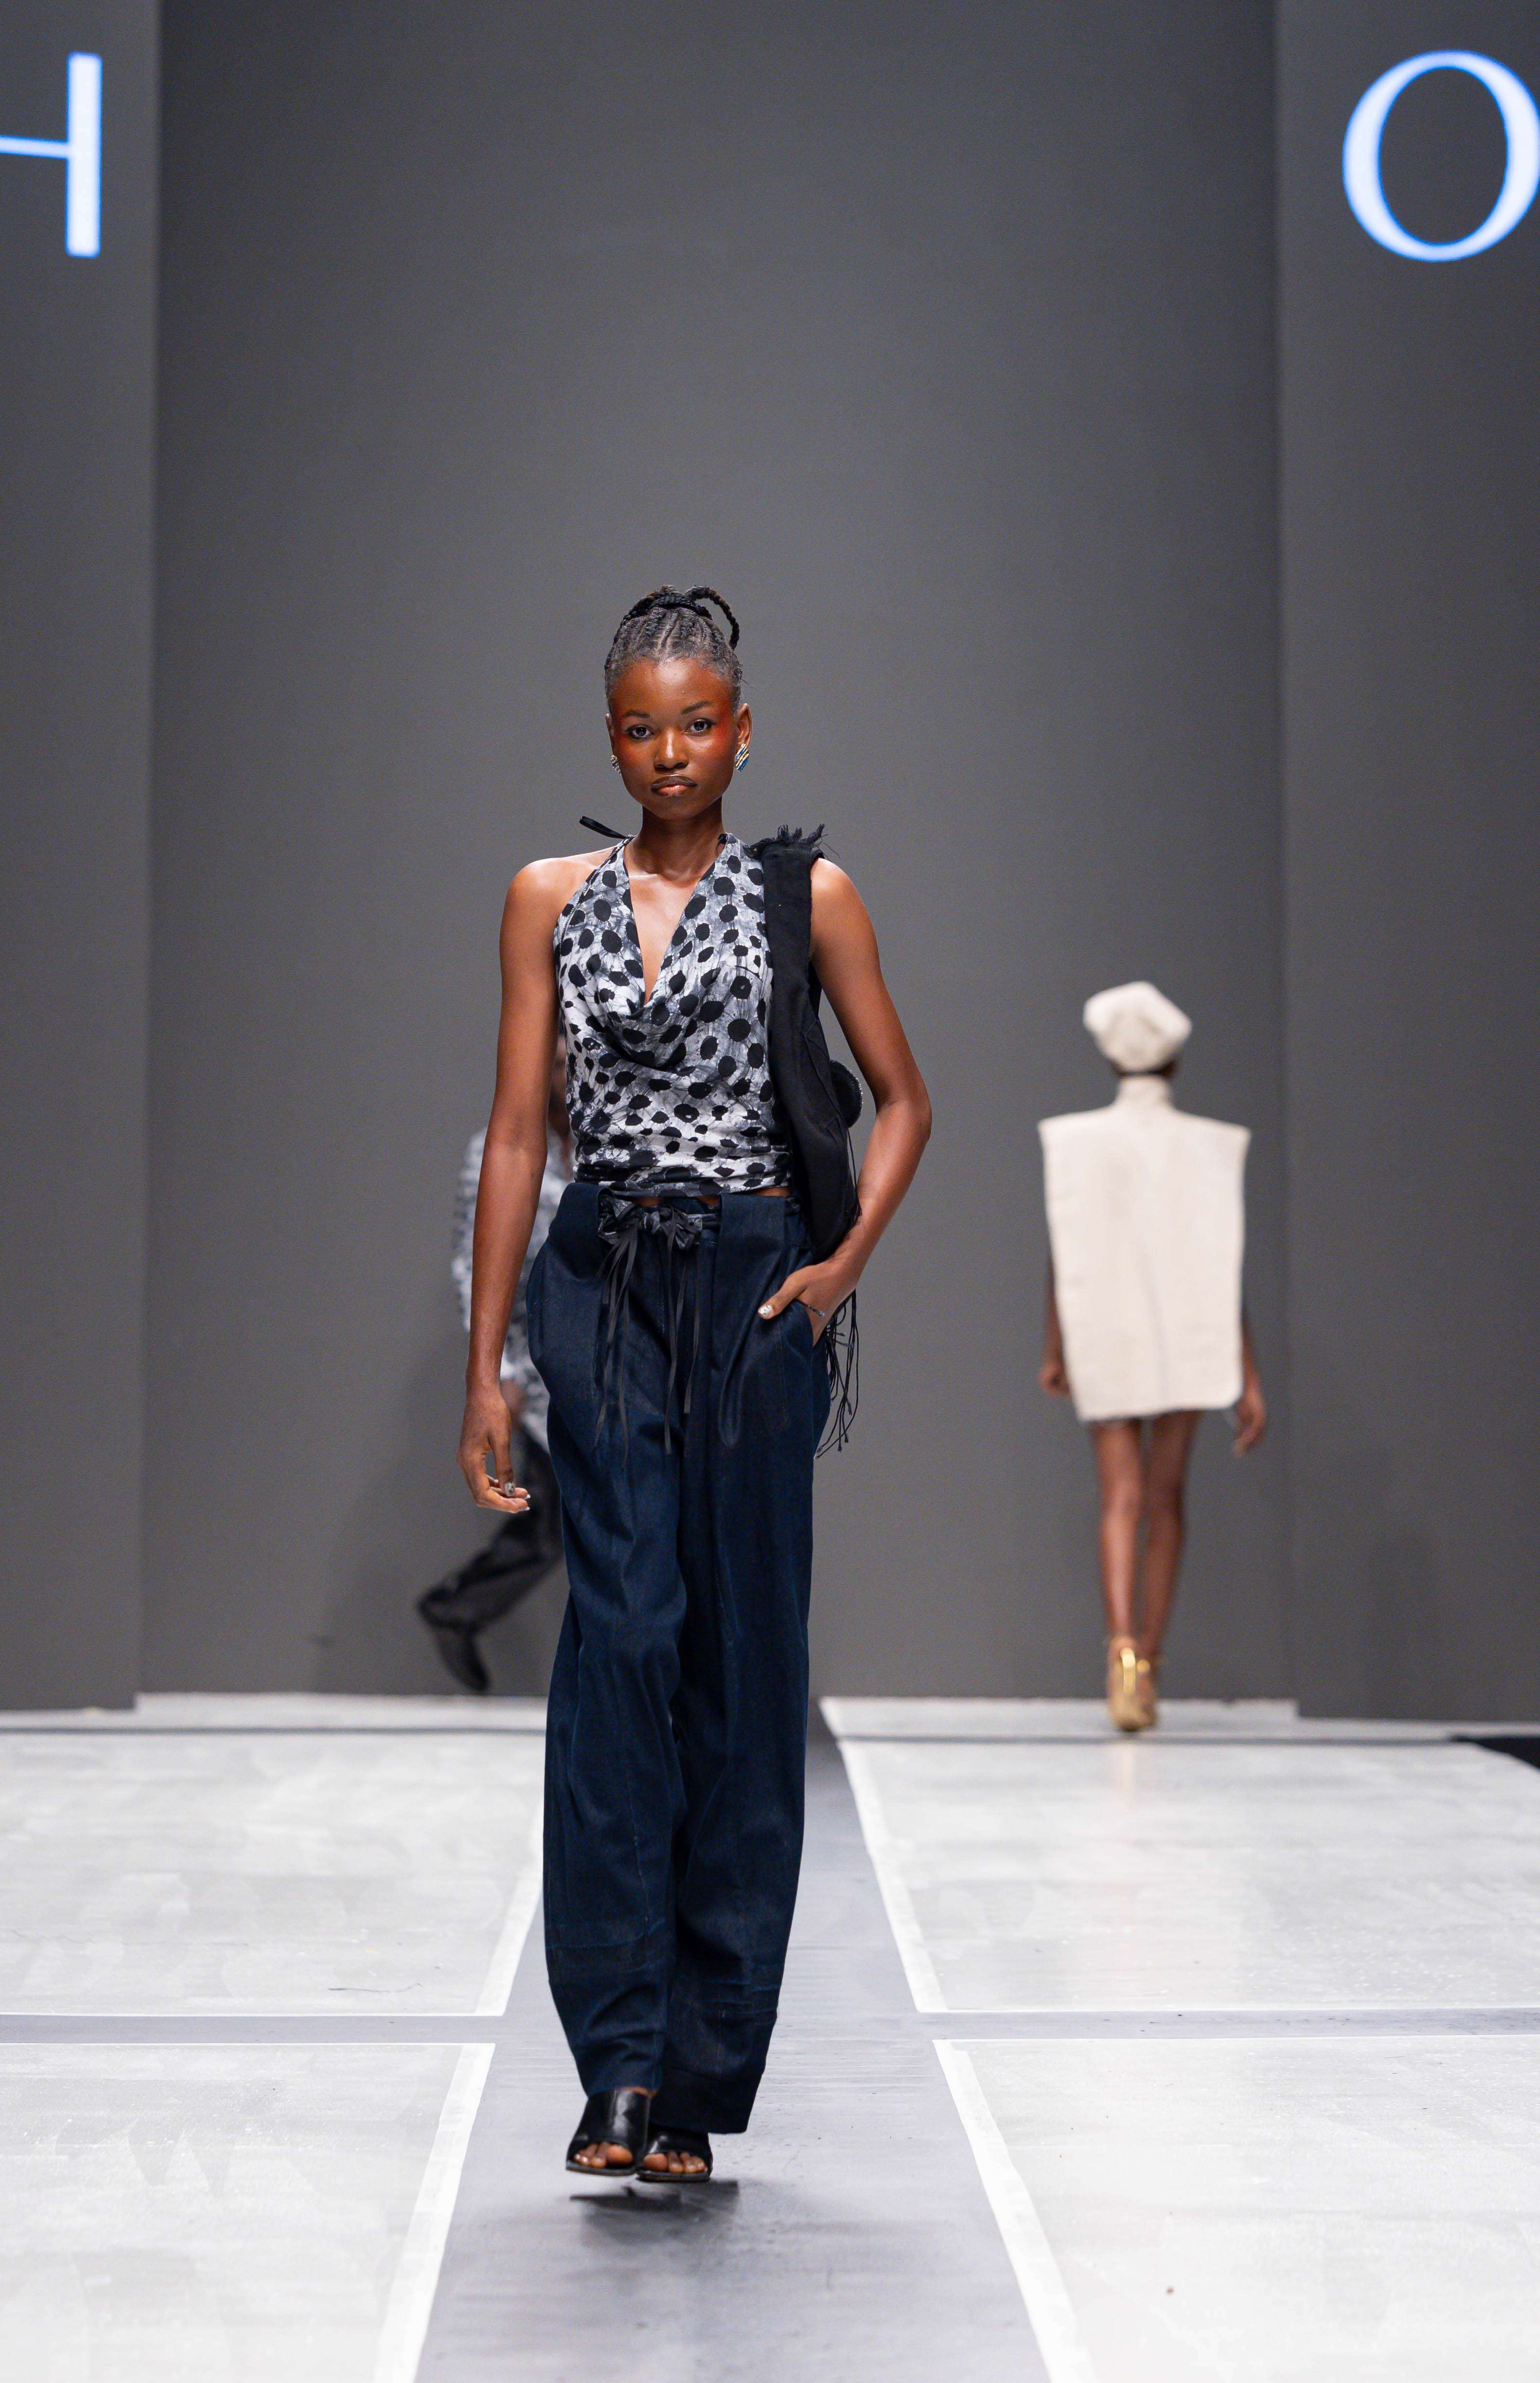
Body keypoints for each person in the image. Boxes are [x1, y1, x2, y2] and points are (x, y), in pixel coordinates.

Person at [458, 585, 930, 2183]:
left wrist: (838, 1266)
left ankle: (698, 2081)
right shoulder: (544, 897)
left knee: (742, 1656)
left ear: (741, 730)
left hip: (750, 1281)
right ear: (612, 740)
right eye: (641, 727)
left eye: (697, 722)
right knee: (623, 1635)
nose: (671, 750)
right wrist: (487, 1366)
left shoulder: (809, 898)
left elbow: (905, 1098)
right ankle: (617, 2058)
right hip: (598, 1275)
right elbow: (517, 1132)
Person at [1038, 981, 1265, 1732]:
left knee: (1121, 1497)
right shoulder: (1209, 1146)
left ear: (1111, 1056)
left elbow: (1066, 1249)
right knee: (1165, 1497)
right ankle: (1150, 1669)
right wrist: (1247, 1370)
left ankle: (1123, 1657)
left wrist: (1056, 1343)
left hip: (1104, 1322)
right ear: (1174, 1059)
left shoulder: (1076, 1142)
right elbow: (1221, 1263)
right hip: (1186, 1327)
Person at [418, 1043, 573, 1692]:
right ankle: (456, 1609)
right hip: (533, 1364)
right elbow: (472, 1265)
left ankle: (457, 1609)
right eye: (557, 1060)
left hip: (609, 1358)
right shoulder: (495, 1151)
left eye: (577, 1056)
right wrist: (496, 1369)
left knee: (572, 1516)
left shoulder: (617, 1142)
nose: (569, 1071)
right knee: (561, 1513)